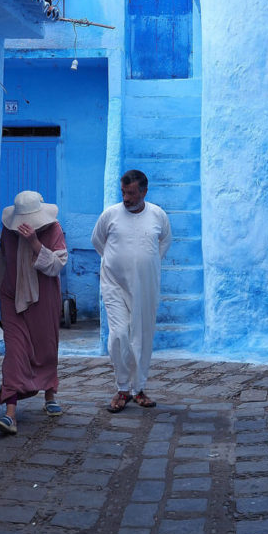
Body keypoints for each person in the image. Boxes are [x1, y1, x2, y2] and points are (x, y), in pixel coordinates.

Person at [91, 169, 172, 413]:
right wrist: (117, 262)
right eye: (124, 192)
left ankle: (139, 389)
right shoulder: (110, 215)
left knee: (143, 336)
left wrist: (146, 266)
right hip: (114, 284)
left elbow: (165, 241)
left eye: (132, 193)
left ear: (144, 192)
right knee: (119, 335)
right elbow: (98, 241)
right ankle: (123, 387)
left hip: (145, 286)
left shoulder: (158, 215)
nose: (126, 198)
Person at [0, 190, 68, 434]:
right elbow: (4, 261)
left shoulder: (53, 229)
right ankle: (10, 414)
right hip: (12, 297)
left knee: (46, 346)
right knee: (14, 351)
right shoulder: (8, 232)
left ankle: (50, 394)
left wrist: (35, 243)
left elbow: (57, 266)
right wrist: (0, 294)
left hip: (44, 297)